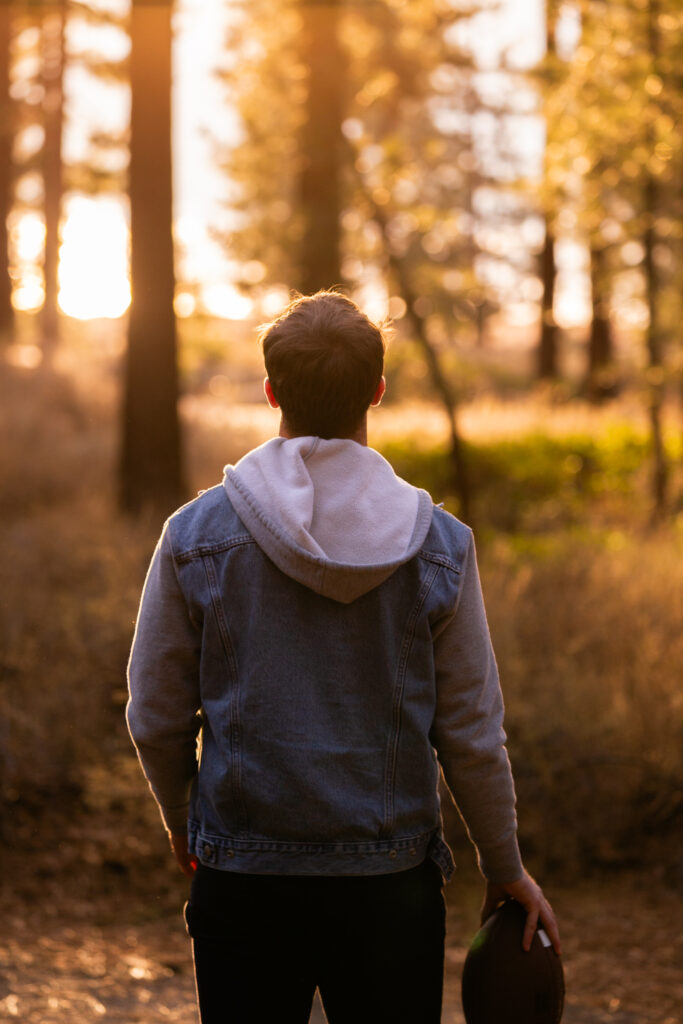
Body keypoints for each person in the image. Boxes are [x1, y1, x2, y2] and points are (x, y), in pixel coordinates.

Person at [127, 290, 560, 1024]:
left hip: (242, 878)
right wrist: (503, 865)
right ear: (377, 391)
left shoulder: (195, 533)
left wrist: (183, 819)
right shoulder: (439, 546)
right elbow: (471, 730)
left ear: (271, 392)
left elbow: (154, 717)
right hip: (388, 888)